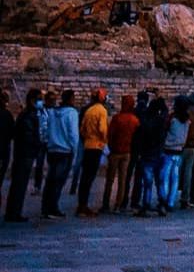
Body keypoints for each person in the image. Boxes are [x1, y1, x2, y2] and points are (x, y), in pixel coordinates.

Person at [4, 89, 43, 223]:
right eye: (39, 99)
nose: (40, 102)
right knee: (19, 185)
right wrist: (36, 145)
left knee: (19, 184)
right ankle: (13, 213)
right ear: (33, 100)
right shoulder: (28, 116)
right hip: (24, 154)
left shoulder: (28, 114)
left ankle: (14, 211)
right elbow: (28, 136)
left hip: (24, 153)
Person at [43, 89, 79, 220]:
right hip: (65, 151)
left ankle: (46, 206)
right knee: (58, 181)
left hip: (52, 149)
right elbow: (73, 134)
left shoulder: (52, 112)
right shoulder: (72, 113)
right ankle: (53, 207)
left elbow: (46, 129)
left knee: (50, 179)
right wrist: (74, 150)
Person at [102, 94, 139, 212]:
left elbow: (110, 134)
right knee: (123, 180)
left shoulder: (117, 118)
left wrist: (110, 147)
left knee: (110, 179)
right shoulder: (135, 120)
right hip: (127, 152)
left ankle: (106, 203)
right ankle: (118, 204)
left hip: (115, 151)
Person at [77, 88, 109, 217]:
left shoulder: (88, 110)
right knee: (89, 177)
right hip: (96, 146)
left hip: (87, 145)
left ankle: (81, 204)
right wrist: (105, 141)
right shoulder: (102, 111)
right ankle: (84, 207)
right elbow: (102, 129)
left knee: (85, 177)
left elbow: (82, 130)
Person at [136, 96, 169, 217]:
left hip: (147, 155)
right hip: (160, 154)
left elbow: (139, 113)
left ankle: (146, 205)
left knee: (148, 183)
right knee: (160, 182)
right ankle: (162, 205)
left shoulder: (145, 122)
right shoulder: (161, 121)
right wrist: (162, 102)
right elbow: (166, 112)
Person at [161, 96, 191, 210]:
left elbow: (165, 130)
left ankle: (163, 200)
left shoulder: (172, 118)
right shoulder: (187, 120)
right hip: (179, 150)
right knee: (175, 178)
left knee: (165, 177)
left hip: (168, 149)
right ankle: (171, 202)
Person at [179, 94, 194, 208]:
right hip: (193, 146)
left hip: (181, 146)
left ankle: (172, 195)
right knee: (188, 172)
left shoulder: (183, 115)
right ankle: (185, 197)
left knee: (177, 171)